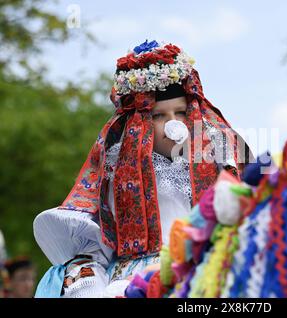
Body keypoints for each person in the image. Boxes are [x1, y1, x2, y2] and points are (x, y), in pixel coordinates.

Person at [33, 40, 253, 297]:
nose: (174, 125)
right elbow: (94, 245)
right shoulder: (113, 170)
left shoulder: (218, 159)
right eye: (159, 116)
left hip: (207, 268)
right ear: (140, 123)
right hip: (136, 280)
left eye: (180, 112)